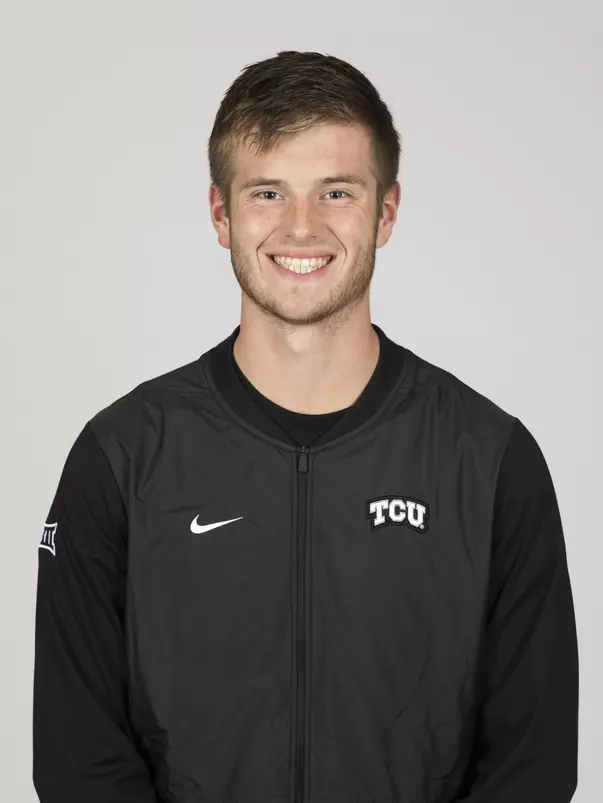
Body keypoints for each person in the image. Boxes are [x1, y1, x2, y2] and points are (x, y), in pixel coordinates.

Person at [33, 51, 579, 803]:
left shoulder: (487, 461)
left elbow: (533, 760)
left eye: (335, 192)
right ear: (220, 214)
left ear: (384, 212)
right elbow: (77, 758)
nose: (301, 226)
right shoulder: (121, 458)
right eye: (267, 192)